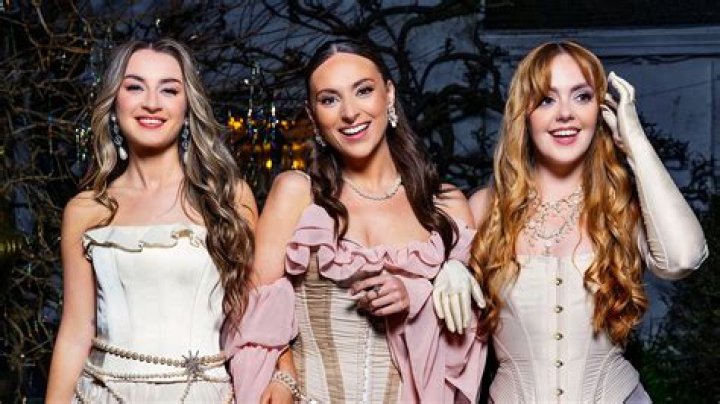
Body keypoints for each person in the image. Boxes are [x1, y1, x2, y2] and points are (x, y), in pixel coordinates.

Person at [227, 39, 486, 403]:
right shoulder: (296, 194)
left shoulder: (445, 205)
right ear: (313, 115)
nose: (350, 112)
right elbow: (251, 318)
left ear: (388, 94)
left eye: (363, 91)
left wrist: (417, 294)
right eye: (329, 99)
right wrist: (284, 373)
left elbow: (465, 351)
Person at [467, 41, 708, 402]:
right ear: (524, 114)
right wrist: (449, 269)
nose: (566, 113)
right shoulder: (485, 208)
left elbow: (683, 258)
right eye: (546, 100)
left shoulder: (623, 207)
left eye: (581, 97)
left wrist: (635, 142)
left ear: (600, 109)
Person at [45, 38, 257, 403]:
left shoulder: (228, 199)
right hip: (105, 394)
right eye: (135, 87)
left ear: (187, 107)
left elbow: (255, 319)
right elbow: (76, 332)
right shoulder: (86, 210)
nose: (152, 103)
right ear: (114, 103)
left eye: (169, 90)